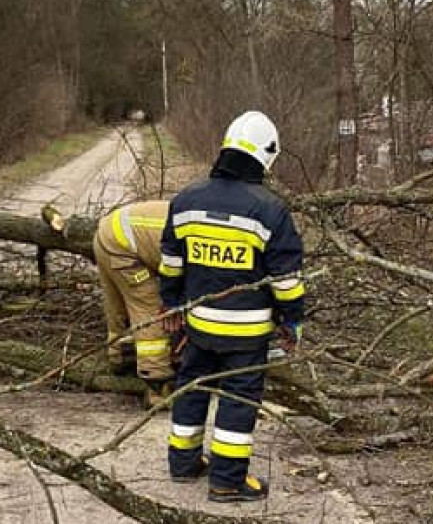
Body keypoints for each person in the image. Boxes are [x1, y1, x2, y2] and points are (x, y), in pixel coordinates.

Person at [159, 111, 307, 503]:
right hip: (246, 333)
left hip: (199, 326)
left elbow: (171, 264)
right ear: (266, 156)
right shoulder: (270, 210)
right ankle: (226, 481)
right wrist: (293, 323)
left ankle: (183, 463)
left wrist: (172, 306)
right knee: (238, 402)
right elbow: (287, 283)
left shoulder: (186, 199)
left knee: (191, 388)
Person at [93, 200, 176, 408]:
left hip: (107, 234)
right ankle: (157, 389)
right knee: (149, 310)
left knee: (118, 307)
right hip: (123, 248)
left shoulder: (195, 213)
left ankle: (120, 359)